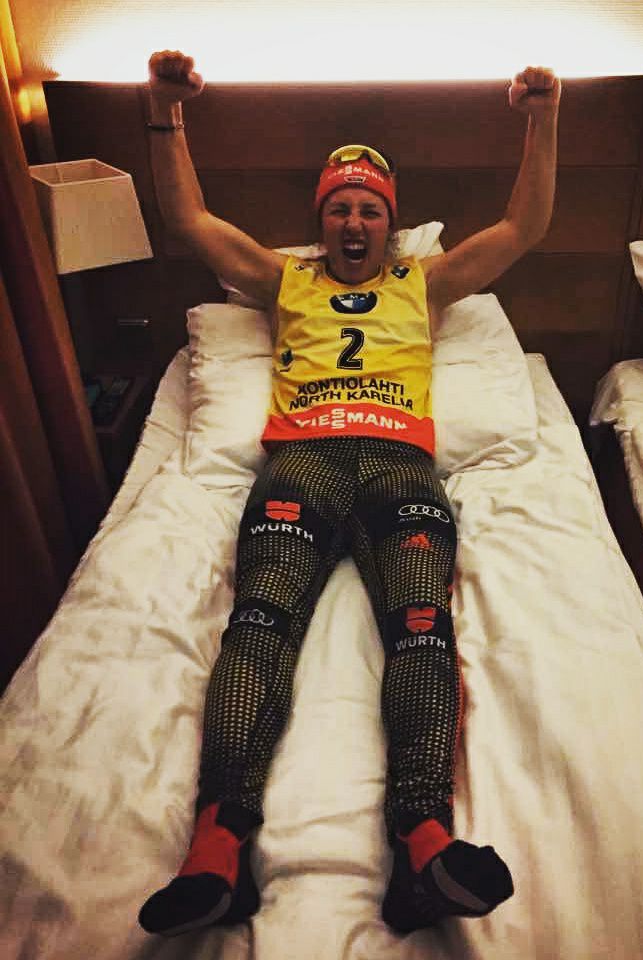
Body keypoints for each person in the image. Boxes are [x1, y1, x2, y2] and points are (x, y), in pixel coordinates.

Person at [138, 49, 560, 939]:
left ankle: (423, 841)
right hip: (303, 460)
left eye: (370, 208)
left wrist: (542, 118)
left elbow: (523, 227)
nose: (355, 221)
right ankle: (217, 847)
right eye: (340, 208)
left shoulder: (424, 282)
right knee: (260, 621)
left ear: (392, 225)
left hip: (401, 464)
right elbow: (188, 218)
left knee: (421, 627)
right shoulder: (283, 279)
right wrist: (163, 111)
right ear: (321, 223)